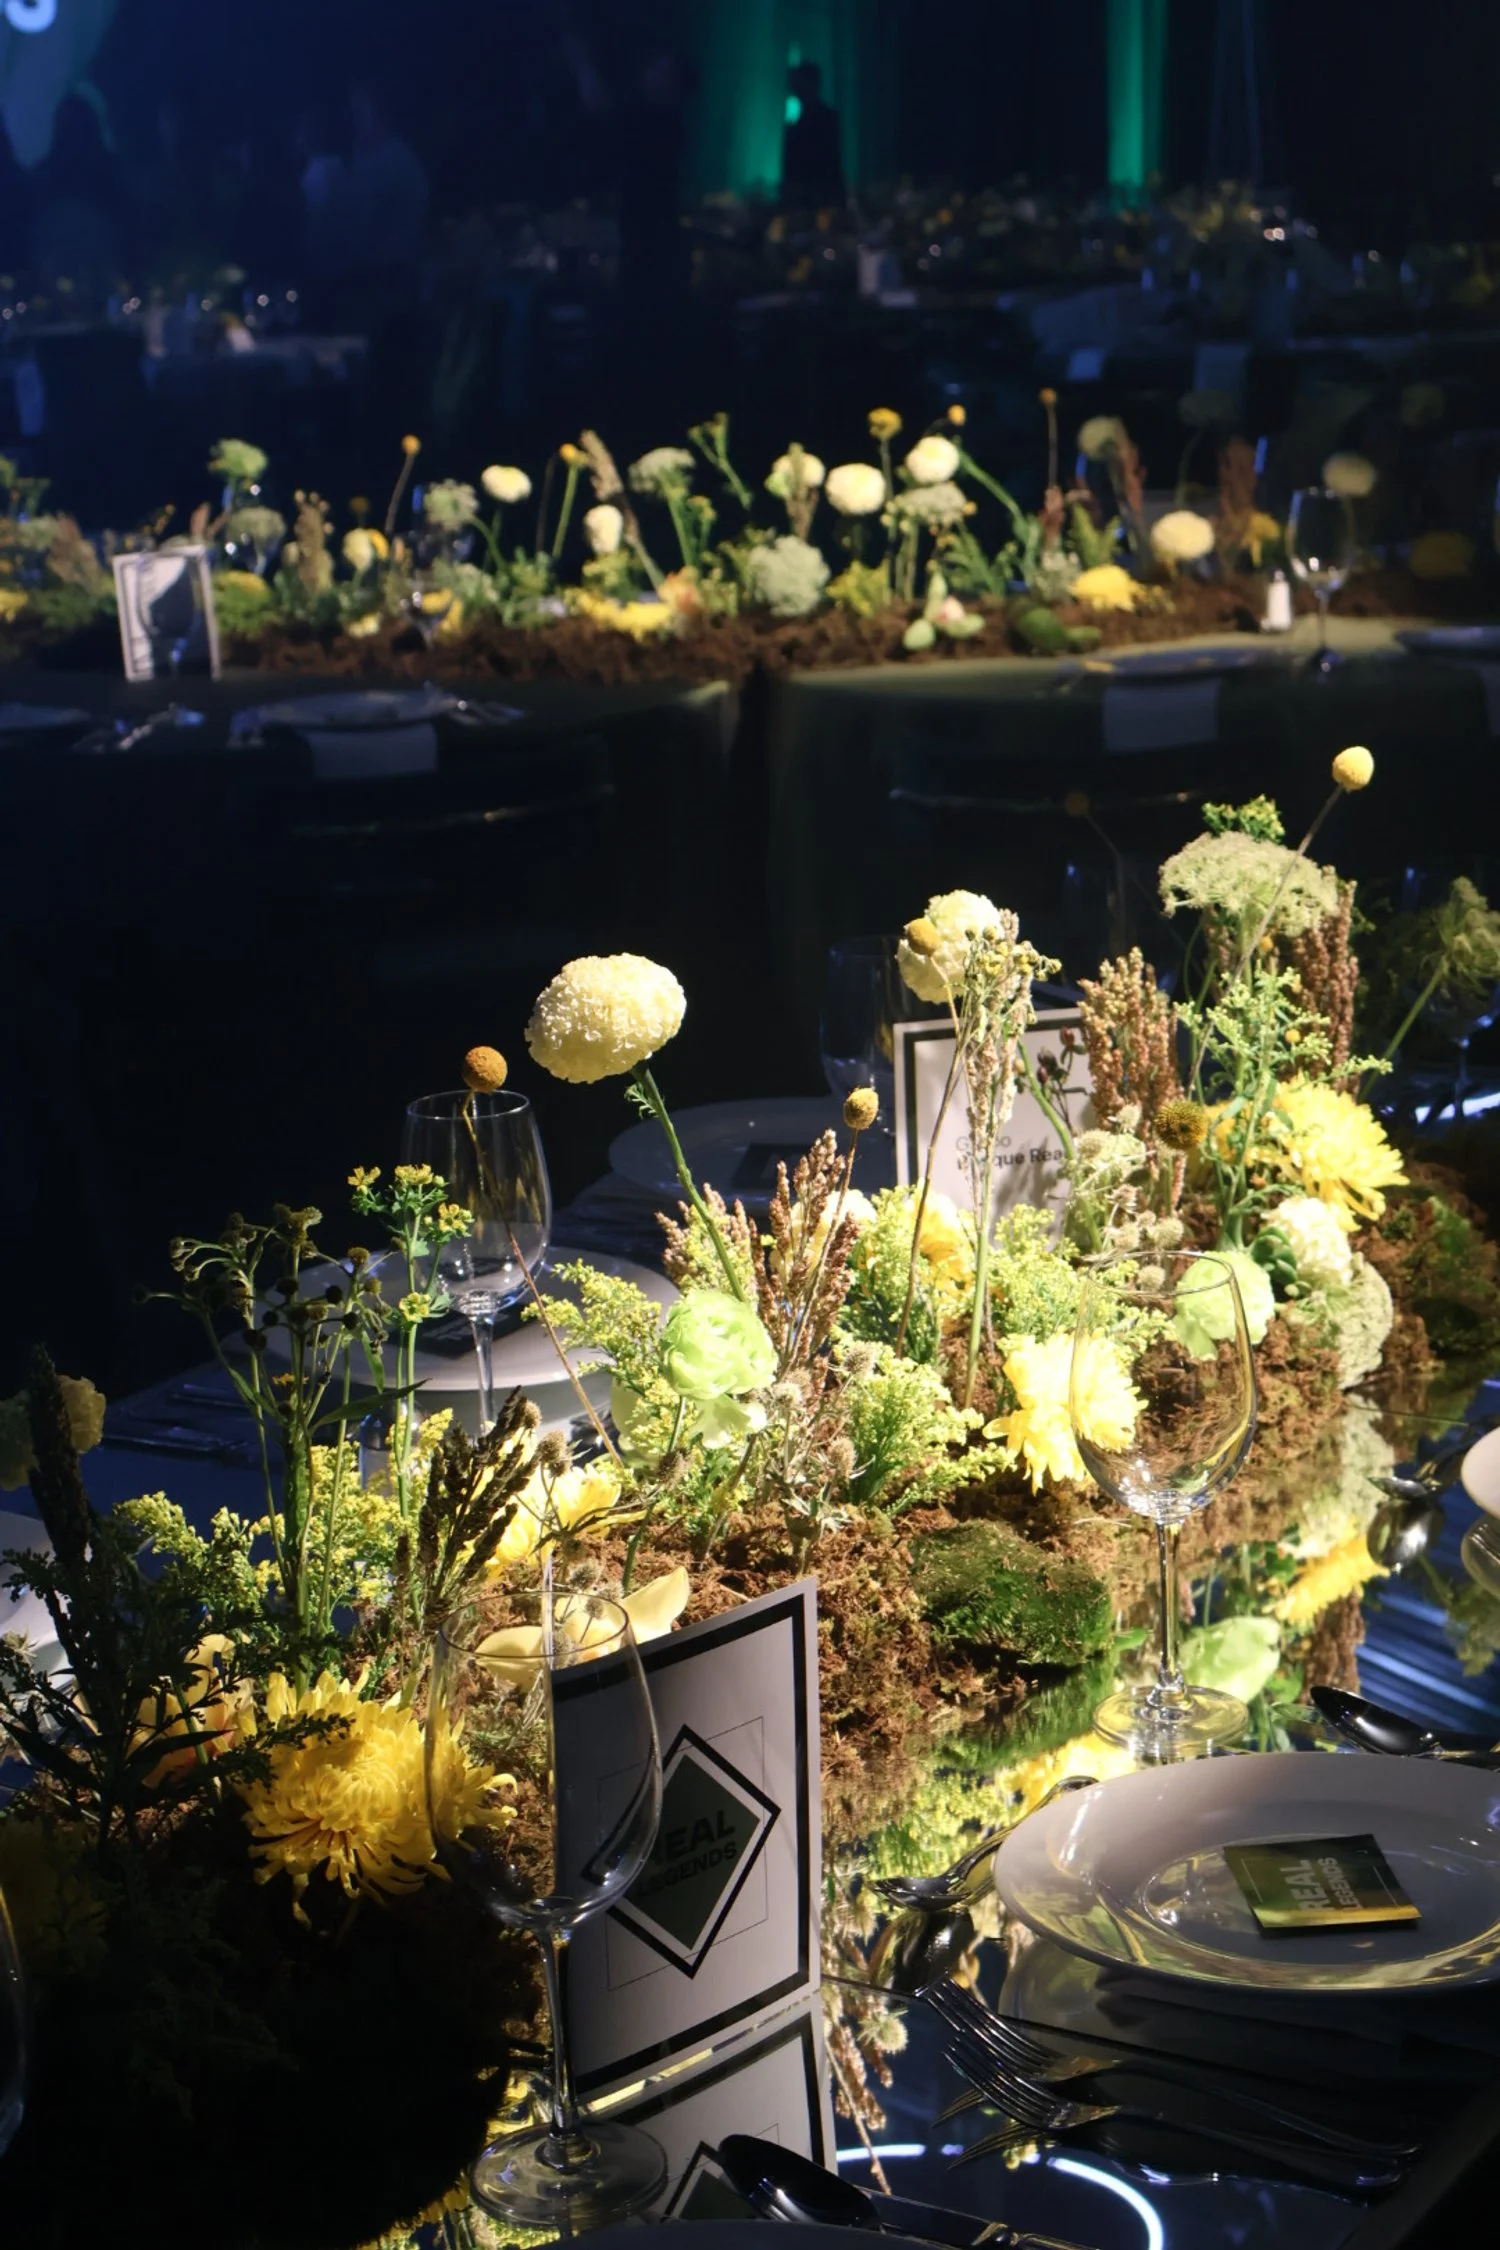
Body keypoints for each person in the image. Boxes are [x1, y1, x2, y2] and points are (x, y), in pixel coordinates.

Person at [781, 60, 844, 210]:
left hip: (818, 197)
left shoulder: (824, 118)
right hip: (805, 198)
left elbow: (830, 161)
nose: (794, 87)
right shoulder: (797, 121)